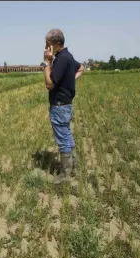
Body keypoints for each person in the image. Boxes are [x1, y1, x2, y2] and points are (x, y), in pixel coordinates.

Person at [43, 28, 84, 184]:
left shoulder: (61, 59)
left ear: (57, 43)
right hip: (66, 105)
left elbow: (49, 84)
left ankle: (65, 173)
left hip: (59, 106)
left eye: (47, 44)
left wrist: (46, 63)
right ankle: (73, 168)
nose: (46, 48)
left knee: (62, 139)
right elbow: (80, 68)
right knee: (67, 135)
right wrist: (70, 81)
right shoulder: (68, 56)